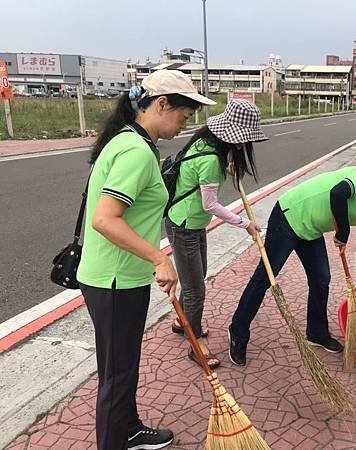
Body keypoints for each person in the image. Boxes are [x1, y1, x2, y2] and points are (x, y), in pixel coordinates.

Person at [77, 70, 213, 450]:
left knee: (121, 368)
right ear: (161, 104)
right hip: (114, 281)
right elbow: (105, 219)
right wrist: (159, 257)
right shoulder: (136, 151)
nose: (185, 124)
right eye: (184, 115)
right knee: (117, 375)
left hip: (120, 277)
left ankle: (129, 429)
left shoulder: (135, 142)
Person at [228, 164, 356, 365]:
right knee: (265, 277)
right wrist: (343, 231)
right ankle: (238, 332)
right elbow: (338, 193)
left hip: (311, 229)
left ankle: (316, 332)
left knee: (321, 278)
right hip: (290, 215)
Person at [165, 100, 267, 368]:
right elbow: (209, 204)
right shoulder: (211, 158)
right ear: (233, 138)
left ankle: (181, 322)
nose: (246, 146)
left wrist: (226, 167)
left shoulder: (206, 145)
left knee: (196, 277)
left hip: (192, 223)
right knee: (195, 289)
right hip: (185, 225)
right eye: (244, 140)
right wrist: (244, 223)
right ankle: (194, 344)